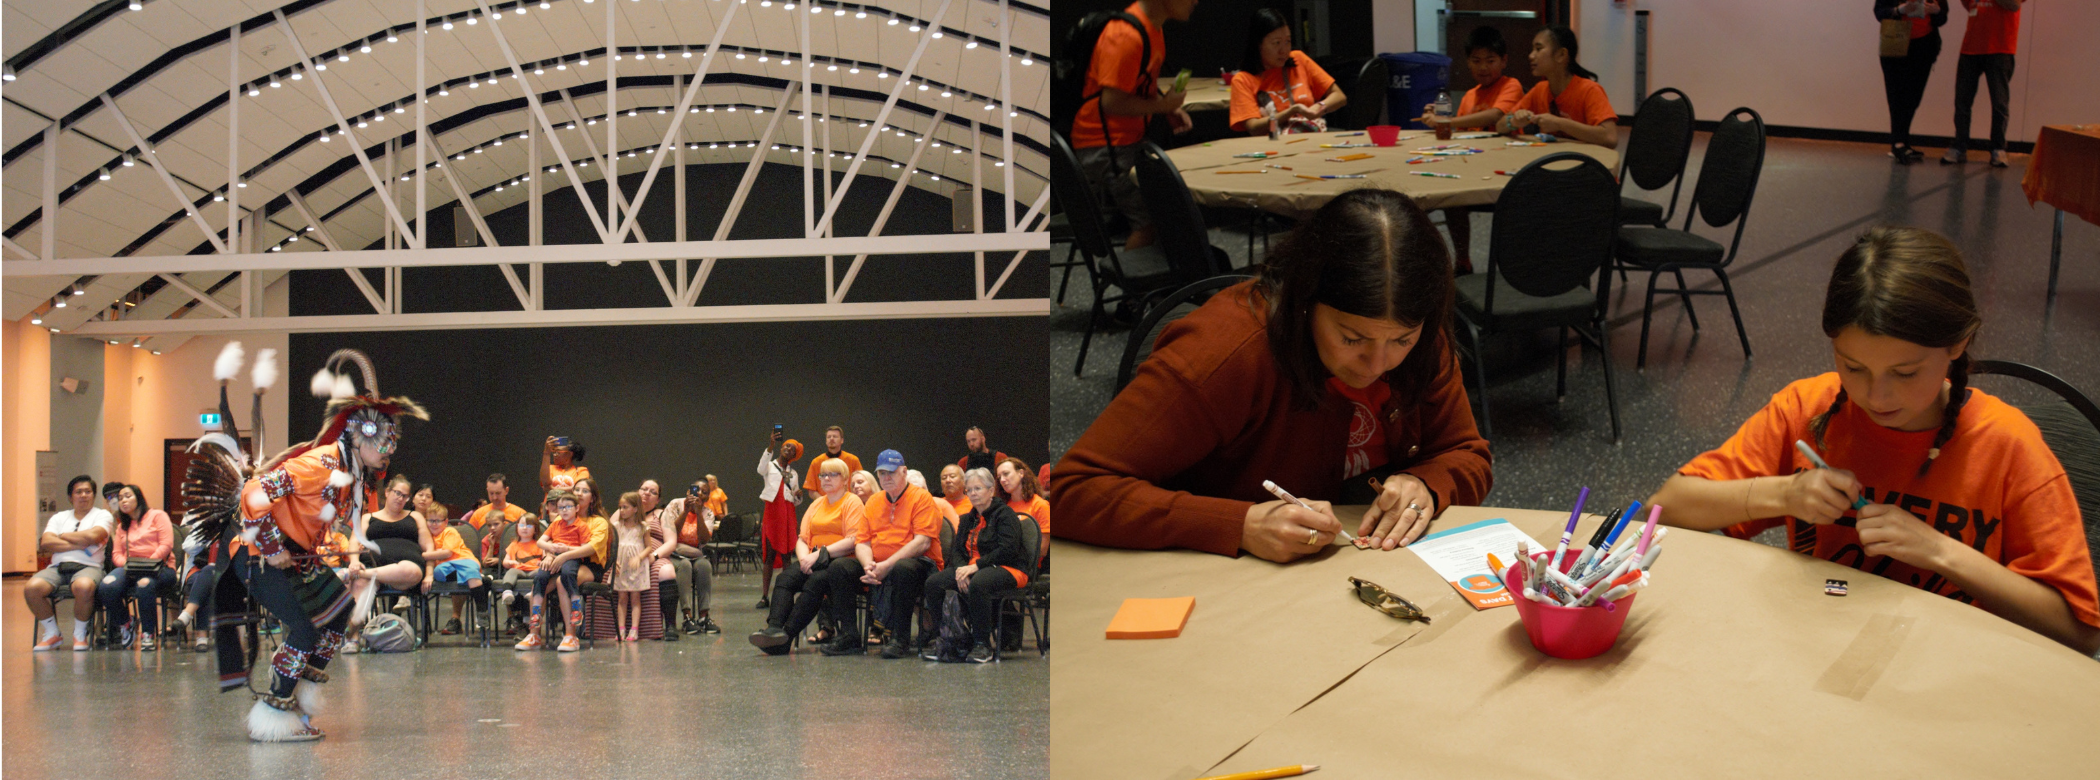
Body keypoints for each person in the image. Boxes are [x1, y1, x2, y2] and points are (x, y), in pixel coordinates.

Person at [1650, 227, 2100, 654]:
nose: (1875, 396)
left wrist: (1941, 551)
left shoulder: (2007, 445)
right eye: (1853, 366)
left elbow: (2080, 633)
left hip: (1953, 667)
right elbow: (1665, 507)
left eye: (1905, 373)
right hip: (1817, 646)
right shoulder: (1808, 408)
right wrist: (1783, 493)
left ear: (1958, 344)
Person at [1052, 189, 1493, 562]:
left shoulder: (1421, 338)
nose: (1379, 364)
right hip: (1221, 581)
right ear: (1304, 301)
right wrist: (1238, 523)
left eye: (1401, 340)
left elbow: (1466, 454)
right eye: (1352, 338)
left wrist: (1428, 484)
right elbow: (1072, 490)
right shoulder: (1223, 353)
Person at [185, 348, 428, 741]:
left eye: (392, 443)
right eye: (385, 442)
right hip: (256, 553)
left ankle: (297, 691)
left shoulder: (353, 471)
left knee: (337, 614)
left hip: (295, 554)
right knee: (304, 626)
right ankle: (274, 710)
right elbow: (255, 493)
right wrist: (269, 545)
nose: (389, 450)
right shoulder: (322, 464)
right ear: (362, 434)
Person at [1073, 0, 1198, 251]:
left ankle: (1164, 286)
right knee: (1148, 225)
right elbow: (1111, 103)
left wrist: (1168, 108)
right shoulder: (1126, 36)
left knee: (1166, 215)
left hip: (1122, 142)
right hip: (1102, 145)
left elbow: (1138, 88)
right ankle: (1135, 287)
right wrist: (1162, 107)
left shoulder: (1154, 30)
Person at [1417, 26, 1525, 274]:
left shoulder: (1512, 85)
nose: (1483, 67)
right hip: (1474, 168)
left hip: (1504, 169)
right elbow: (1460, 136)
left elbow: (1496, 114)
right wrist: (1437, 117)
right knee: (1451, 194)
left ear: (1504, 61)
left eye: (1490, 60)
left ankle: (1515, 267)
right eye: (1476, 61)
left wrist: (1447, 121)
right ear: (1467, 62)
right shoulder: (1469, 96)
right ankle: (1463, 261)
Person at [748, 458, 866, 656]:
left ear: (845, 480)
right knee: (785, 578)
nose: (826, 479)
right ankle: (774, 628)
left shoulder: (852, 502)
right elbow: (802, 539)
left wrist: (819, 555)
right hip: (813, 558)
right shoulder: (817, 504)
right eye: (823, 475)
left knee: (816, 581)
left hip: (840, 561)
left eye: (832, 474)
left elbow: (853, 540)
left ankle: (786, 637)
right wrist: (804, 559)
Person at [921, 468, 1031, 663]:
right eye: (969, 490)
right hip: (973, 569)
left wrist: (975, 567)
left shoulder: (1005, 515)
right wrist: (962, 571)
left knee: (979, 582)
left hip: (1009, 568)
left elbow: (1008, 550)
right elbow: (957, 551)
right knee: (933, 583)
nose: (972, 493)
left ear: (991, 490)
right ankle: (948, 638)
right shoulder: (967, 518)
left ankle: (982, 645)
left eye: (978, 488)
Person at [856, 450, 944, 659]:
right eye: (882, 473)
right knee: (840, 568)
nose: (886, 478)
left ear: (904, 472)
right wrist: (869, 565)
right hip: (879, 565)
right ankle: (848, 635)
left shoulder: (921, 498)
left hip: (920, 564)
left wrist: (886, 565)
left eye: (891, 473)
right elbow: (862, 541)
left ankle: (899, 638)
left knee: (902, 569)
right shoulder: (874, 501)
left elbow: (922, 542)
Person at [1228, 7, 1345, 137]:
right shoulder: (1243, 80)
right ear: (1258, 44)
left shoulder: (1298, 60)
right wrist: (1291, 112)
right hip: (1273, 143)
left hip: (1310, 137)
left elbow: (1339, 96)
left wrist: (1319, 107)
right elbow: (1254, 127)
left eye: (1287, 41)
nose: (1284, 50)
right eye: (1276, 43)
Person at [27, 476, 114, 652]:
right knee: (32, 588)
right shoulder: (60, 517)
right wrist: (80, 542)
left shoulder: (102, 515)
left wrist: (61, 536)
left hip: (89, 567)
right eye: (78, 492)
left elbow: (93, 536)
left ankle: (80, 634)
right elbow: (45, 542)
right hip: (58, 567)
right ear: (70, 497)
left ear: (94, 495)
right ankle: (52, 633)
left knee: (83, 586)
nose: (83, 495)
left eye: (88, 491)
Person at [516, 486, 607, 652]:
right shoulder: (559, 520)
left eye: (585, 491)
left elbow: (589, 549)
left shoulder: (597, 522)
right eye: (577, 489)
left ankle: (571, 635)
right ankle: (534, 634)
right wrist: (550, 555)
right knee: (540, 582)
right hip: (560, 560)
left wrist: (562, 554)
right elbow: (548, 541)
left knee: (561, 581)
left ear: (592, 498)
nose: (579, 493)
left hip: (588, 564)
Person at [1500, 26, 1618, 148]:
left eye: (1538, 49)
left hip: (1583, 162)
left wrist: (1560, 124)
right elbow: (1500, 125)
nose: (1531, 55)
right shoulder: (1540, 89)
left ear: (1561, 55)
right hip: (1551, 160)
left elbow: (1610, 137)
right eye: (1532, 49)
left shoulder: (1589, 90)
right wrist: (1513, 122)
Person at [96, 484, 177, 651]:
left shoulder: (157, 516)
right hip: (130, 567)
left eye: (127, 496)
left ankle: (148, 633)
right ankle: (126, 622)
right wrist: (127, 565)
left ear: (139, 497)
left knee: (144, 584)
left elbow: (166, 544)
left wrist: (148, 563)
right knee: (107, 585)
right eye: (120, 498)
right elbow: (117, 553)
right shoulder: (122, 526)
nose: (123, 501)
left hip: (160, 567)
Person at [1942, 0, 2021, 168]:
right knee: (1962, 100)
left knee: (1999, 103)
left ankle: (1998, 148)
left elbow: (2014, 4)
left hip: (2000, 48)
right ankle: (1959, 146)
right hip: (1971, 47)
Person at [344, 476, 431, 617]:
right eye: (397, 493)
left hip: (405, 571)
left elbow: (429, 548)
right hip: (373, 563)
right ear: (387, 492)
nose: (400, 499)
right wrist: (354, 562)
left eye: (405, 496)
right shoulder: (368, 518)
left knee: (412, 571)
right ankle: (353, 634)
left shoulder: (415, 516)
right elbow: (354, 541)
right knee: (360, 584)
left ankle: (362, 574)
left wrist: (430, 573)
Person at [1876, 0, 1949, 164]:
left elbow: (1943, 18)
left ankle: (1904, 141)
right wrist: (1898, 10)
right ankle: (1897, 143)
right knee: (1896, 96)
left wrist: (1937, 12)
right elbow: (1879, 12)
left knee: (1913, 97)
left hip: (1924, 47)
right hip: (1896, 42)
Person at [664, 480, 720, 635]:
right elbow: (670, 532)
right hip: (675, 553)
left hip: (695, 553)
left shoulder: (708, 513)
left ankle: (704, 616)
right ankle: (687, 617)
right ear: (688, 492)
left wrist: (698, 513)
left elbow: (703, 539)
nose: (700, 494)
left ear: (708, 497)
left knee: (704, 566)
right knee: (685, 566)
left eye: (705, 492)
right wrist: (686, 511)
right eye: (697, 490)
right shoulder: (675, 505)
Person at [424, 505, 490, 636]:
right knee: (438, 572)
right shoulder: (427, 536)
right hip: (447, 566)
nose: (434, 524)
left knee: (470, 573)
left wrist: (424, 555)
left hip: (464, 560)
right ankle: (480, 580)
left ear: (446, 522)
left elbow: (447, 553)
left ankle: (482, 612)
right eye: (430, 520)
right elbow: (439, 558)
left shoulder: (449, 532)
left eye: (438, 521)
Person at [756, 431, 803, 609]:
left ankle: (786, 595)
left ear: (794, 455)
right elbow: (760, 469)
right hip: (772, 512)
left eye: (792, 449)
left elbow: (795, 500)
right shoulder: (769, 466)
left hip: (788, 512)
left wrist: (798, 496)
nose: (788, 448)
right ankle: (764, 596)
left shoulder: (794, 474)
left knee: (787, 556)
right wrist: (770, 446)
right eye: (786, 445)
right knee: (769, 555)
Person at [610, 491, 652, 642]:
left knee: (635, 598)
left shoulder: (643, 527)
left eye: (625, 507)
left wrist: (639, 557)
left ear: (635, 508)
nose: (621, 511)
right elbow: (611, 547)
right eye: (620, 507)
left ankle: (634, 629)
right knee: (621, 598)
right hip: (621, 566)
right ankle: (620, 629)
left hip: (636, 566)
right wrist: (614, 561)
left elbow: (649, 547)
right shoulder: (616, 526)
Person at [496, 511, 543, 634]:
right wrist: (509, 562)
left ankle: (532, 592)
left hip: (533, 570)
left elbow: (546, 559)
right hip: (519, 569)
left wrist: (541, 563)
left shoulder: (540, 544)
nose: (525, 529)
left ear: (535, 529)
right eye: (521, 525)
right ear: (517, 528)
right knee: (511, 572)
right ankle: (507, 591)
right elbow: (505, 561)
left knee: (541, 572)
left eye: (529, 526)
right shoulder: (514, 544)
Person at [802, 426, 864, 501]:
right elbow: (811, 490)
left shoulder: (853, 460)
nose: (831, 439)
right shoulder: (816, 462)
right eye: (829, 437)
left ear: (842, 440)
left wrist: (851, 501)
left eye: (835, 436)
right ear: (826, 441)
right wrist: (825, 503)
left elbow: (860, 485)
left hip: (848, 503)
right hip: (825, 507)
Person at [997, 457, 1053, 536]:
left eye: (1006, 474)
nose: (1002, 480)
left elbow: (1041, 547)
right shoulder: (1002, 507)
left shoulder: (1040, 505)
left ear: (1021, 473)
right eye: (999, 477)